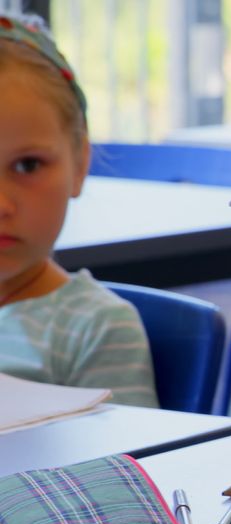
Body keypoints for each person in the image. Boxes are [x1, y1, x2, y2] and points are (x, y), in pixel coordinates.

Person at [0, 13, 158, 408]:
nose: (1, 204)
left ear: (80, 164)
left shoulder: (98, 329)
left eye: (28, 165)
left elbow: (122, 469)